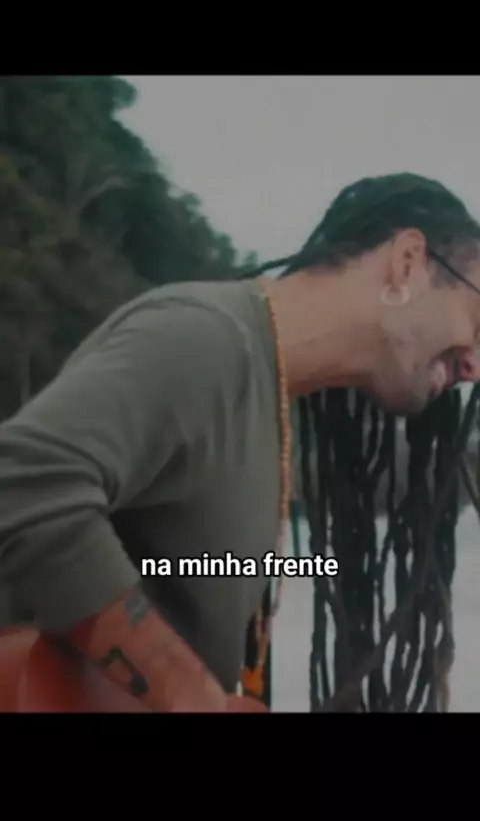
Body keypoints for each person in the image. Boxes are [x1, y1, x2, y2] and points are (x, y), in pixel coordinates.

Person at [1, 172, 480, 713]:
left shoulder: (267, 398)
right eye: (478, 321)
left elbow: (177, 569)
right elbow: (23, 483)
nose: (475, 366)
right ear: (408, 262)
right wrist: (188, 692)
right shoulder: (203, 340)